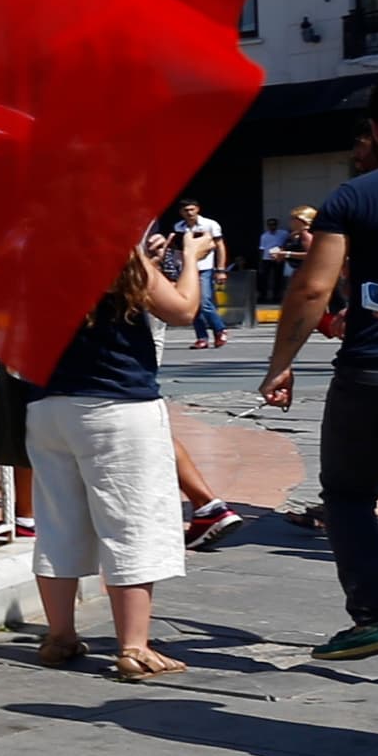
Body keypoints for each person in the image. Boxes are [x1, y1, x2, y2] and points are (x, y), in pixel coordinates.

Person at [262, 71, 378, 662]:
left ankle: (374, 618)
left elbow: (312, 290)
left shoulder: (354, 197)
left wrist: (280, 364)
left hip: (371, 374)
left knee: (350, 496)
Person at [28, 232, 200, 677]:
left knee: (58, 523)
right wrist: (191, 259)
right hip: (117, 404)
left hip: (47, 405)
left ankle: (59, 635)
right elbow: (182, 309)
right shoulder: (111, 247)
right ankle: (134, 647)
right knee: (133, 523)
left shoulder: (29, 250)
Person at [181, 202, 229, 349]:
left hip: (205, 268)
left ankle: (220, 329)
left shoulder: (210, 224)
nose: (189, 213)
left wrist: (221, 269)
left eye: (192, 209)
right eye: (186, 210)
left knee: (205, 301)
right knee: (193, 304)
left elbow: (220, 246)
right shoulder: (179, 227)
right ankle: (202, 337)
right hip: (187, 269)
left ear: (197, 209)